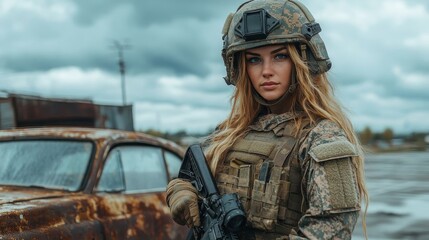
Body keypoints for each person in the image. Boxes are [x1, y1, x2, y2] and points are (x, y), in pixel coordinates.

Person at [166, 0, 369, 239]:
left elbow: (332, 228)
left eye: (280, 56)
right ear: (241, 67)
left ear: (302, 61)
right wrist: (180, 193)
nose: (266, 71)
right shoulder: (230, 133)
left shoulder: (321, 138)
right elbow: (188, 180)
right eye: (254, 59)